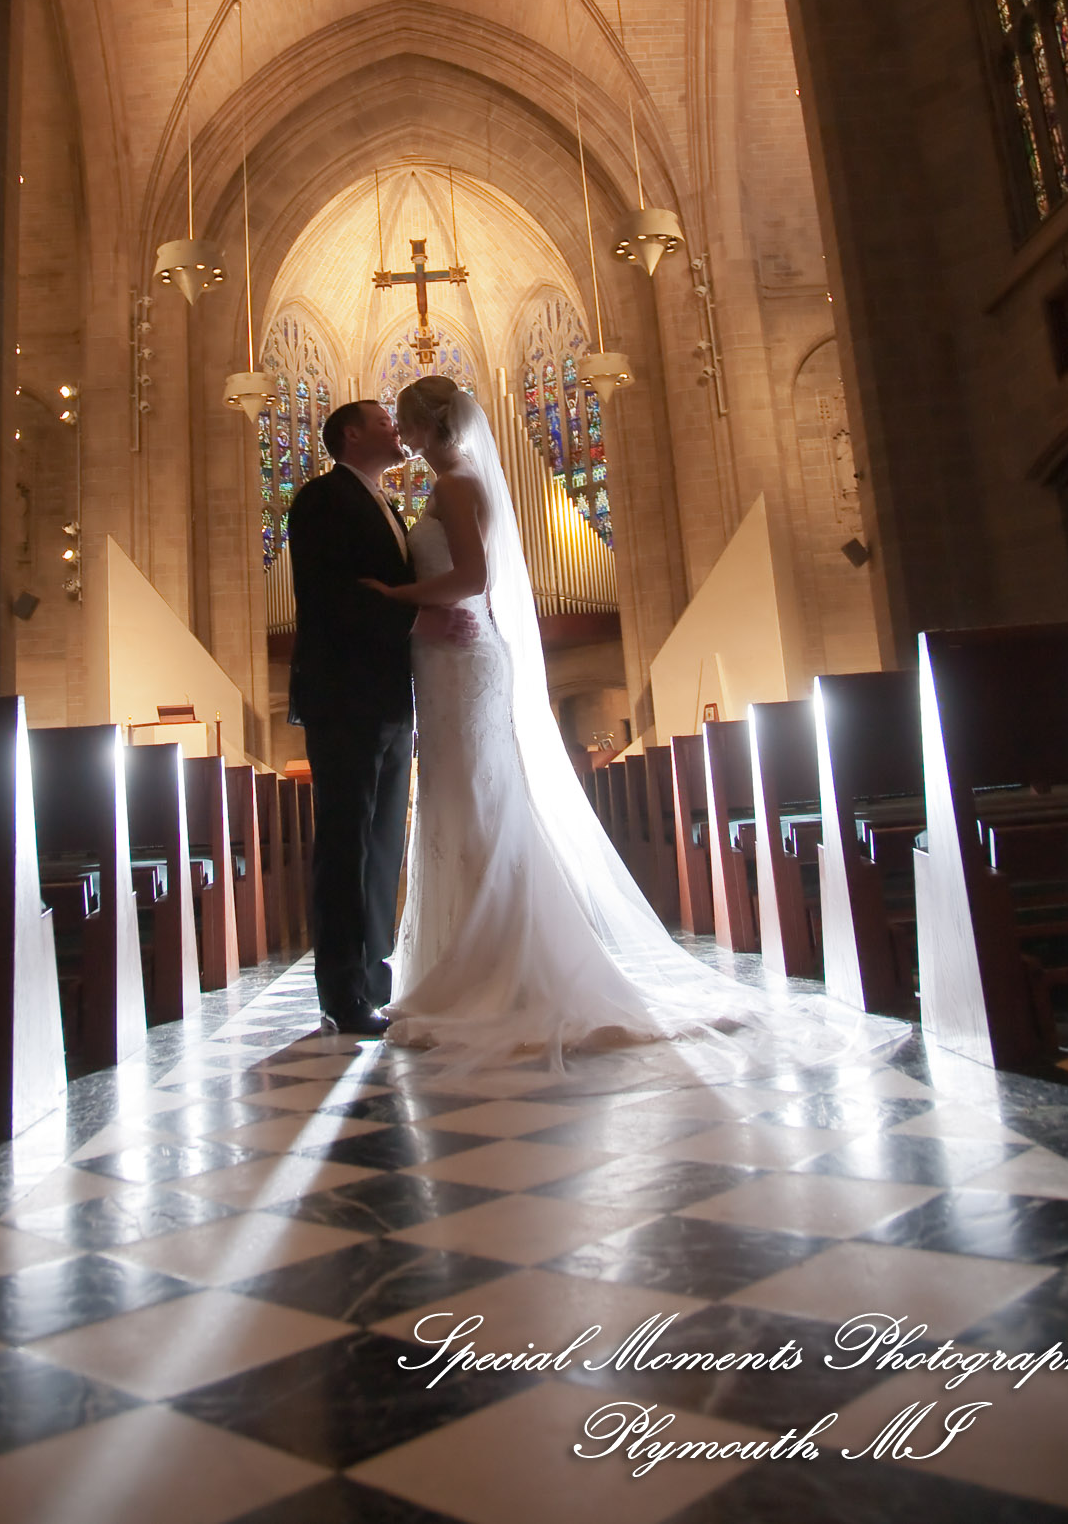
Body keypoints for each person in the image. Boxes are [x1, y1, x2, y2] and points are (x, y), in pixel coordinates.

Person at [362, 376, 900, 1071]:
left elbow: (470, 578)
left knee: (477, 809)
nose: (400, 435)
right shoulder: (453, 483)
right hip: (445, 662)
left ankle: (495, 970)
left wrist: (397, 594)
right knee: (456, 809)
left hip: (463, 661)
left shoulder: (459, 484)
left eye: (404, 421)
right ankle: (469, 961)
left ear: (429, 426)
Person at [287, 397, 472, 1036]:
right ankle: (342, 992)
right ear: (351, 434)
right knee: (346, 842)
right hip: (343, 696)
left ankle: (374, 978)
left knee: (383, 842)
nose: (397, 431)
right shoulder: (320, 499)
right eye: (384, 422)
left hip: (390, 697)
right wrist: (418, 615)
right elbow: (335, 597)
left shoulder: (385, 503)